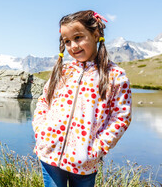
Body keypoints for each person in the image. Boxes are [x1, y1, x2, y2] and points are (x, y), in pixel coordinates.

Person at [32, 10, 132, 187]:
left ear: (95, 34)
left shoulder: (115, 76)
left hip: (85, 160)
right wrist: (41, 131)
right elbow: (43, 101)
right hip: (49, 153)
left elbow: (121, 117)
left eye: (78, 37)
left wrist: (98, 147)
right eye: (67, 41)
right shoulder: (63, 71)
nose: (73, 46)